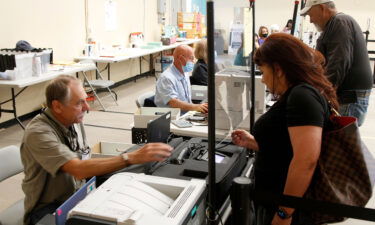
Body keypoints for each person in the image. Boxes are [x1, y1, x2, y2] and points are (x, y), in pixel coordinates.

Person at [21, 75, 173, 225]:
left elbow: (85, 160)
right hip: (48, 210)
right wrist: (129, 158)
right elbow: (78, 169)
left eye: (86, 100)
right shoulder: (38, 133)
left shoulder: (72, 119)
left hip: (79, 192)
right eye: (79, 103)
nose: (87, 108)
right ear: (57, 106)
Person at [231, 33, 338, 225]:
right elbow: (288, 147)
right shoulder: (302, 92)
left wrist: (284, 213)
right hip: (276, 200)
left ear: (278, 69)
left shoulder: (302, 96)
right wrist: (255, 143)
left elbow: (306, 160)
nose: (262, 80)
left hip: (286, 208)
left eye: (263, 72)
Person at [301, 0, 373, 126]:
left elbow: (339, 62)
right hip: (348, 96)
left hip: (348, 98)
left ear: (322, 8)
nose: (311, 20)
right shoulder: (335, 25)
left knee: (340, 140)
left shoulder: (340, 22)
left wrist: (322, 93)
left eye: (310, 14)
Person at [155, 45, 208, 113]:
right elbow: (173, 102)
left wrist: (198, 107)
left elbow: (187, 99)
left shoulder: (184, 73)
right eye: (191, 58)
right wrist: (195, 107)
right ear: (181, 58)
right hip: (173, 116)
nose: (193, 61)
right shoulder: (166, 78)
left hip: (186, 113)